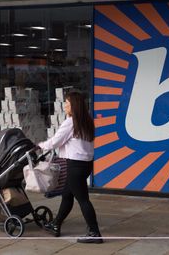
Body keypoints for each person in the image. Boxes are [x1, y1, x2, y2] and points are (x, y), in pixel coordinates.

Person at [38, 91, 103, 244]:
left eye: (67, 103)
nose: (65, 105)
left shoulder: (71, 122)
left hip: (75, 165)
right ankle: (56, 224)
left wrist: (39, 146)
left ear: (74, 106)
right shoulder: (87, 120)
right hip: (85, 164)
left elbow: (55, 142)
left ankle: (94, 232)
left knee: (83, 199)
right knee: (67, 194)